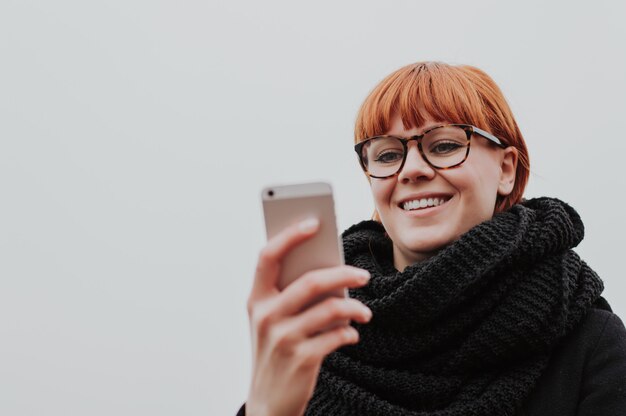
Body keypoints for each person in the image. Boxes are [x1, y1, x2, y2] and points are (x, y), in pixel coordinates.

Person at [239, 62, 626, 415]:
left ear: (506, 169)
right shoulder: (312, 345)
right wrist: (267, 407)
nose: (412, 170)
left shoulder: (591, 344)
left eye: (444, 146)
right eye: (388, 155)